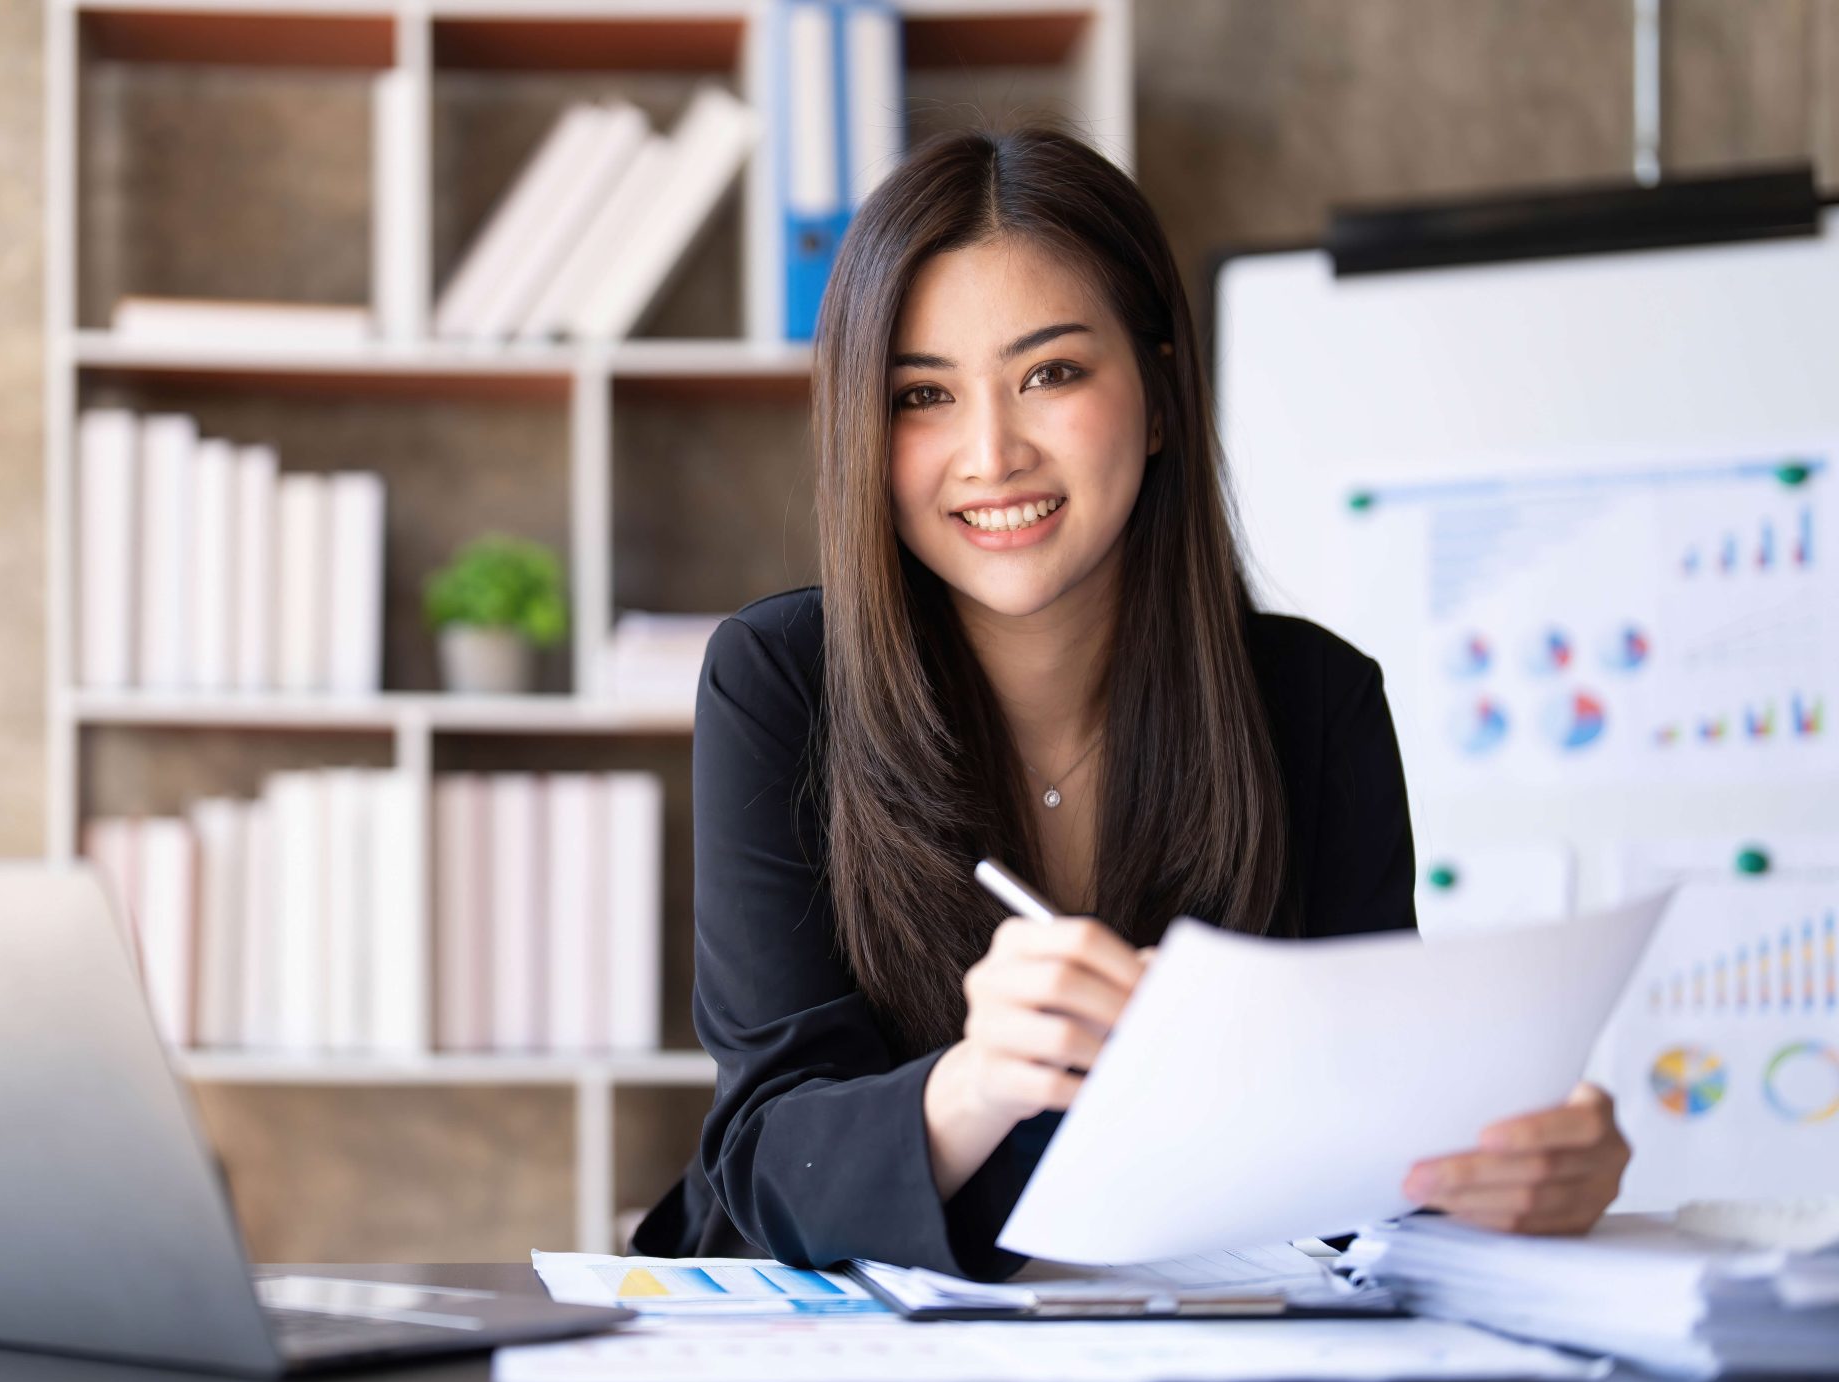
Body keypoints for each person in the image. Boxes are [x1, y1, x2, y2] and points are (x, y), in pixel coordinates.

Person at [629, 127, 1630, 1278]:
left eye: (1050, 374)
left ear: (1157, 397)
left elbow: (1360, 1143)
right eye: (922, 396)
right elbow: (764, 1152)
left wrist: (1504, 1173)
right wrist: (976, 1086)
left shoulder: (1314, 702)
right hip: (839, 1356)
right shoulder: (781, 682)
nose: (990, 453)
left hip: (1193, 1345)